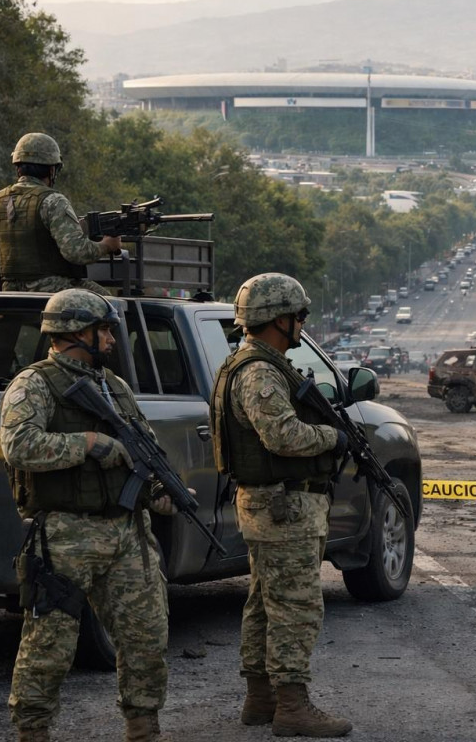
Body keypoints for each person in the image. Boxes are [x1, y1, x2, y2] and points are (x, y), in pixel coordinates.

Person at [2, 290, 171, 742]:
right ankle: (33, 732)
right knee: (49, 644)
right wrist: (88, 444)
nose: (112, 339)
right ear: (78, 331)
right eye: (105, 329)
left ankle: (144, 726)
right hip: (64, 534)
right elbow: (19, 445)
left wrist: (161, 491)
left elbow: (145, 450)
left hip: (126, 533)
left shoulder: (114, 387)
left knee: (146, 637)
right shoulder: (33, 384)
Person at [210, 273, 353, 737]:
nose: (302, 323)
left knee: (264, 603)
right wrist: (335, 436)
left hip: (274, 506)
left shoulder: (251, 365)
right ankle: (291, 706)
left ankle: (260, 699)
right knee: (295, 606)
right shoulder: (259, 372)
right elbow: (283, 435)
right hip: (284, 507)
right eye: (299, 315)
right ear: (278, 319)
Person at [0, 133, 122, 294]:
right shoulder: (53, 201)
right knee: (109, 303)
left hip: (10, 289)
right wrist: (107, 246)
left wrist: (5, 261)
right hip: (54, 290)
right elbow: (76, 253)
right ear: (52, 170)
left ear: (18, 167)